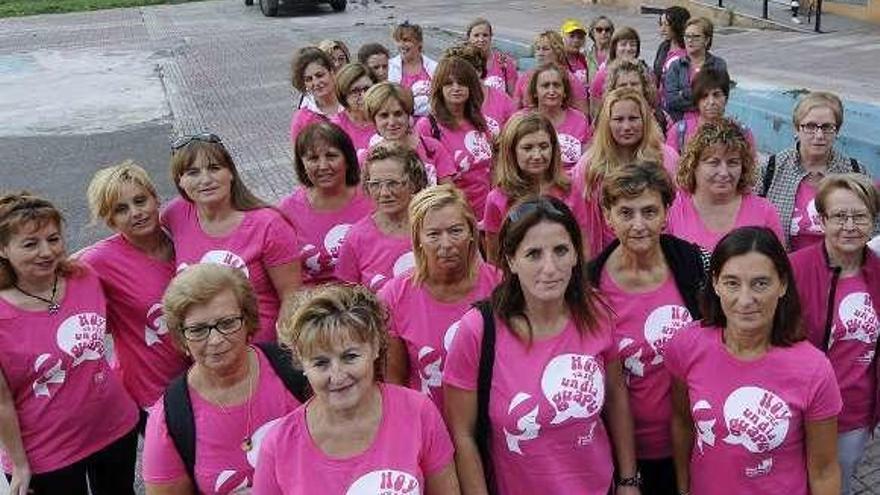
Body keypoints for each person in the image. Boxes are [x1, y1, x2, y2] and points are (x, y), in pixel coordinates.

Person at [443, 196, 640, 494]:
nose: (550, 268)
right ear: (511, 260)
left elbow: (615, 396)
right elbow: (463, 435)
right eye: (533, 254)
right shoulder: (478, 330)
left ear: (576, 253)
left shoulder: (596, 312)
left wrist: (628, 479)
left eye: (561, 250)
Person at [666, 226, 842, 495]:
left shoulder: (814, 369)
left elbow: (824, 470)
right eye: (732, 283)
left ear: (782, 284)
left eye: (760, 283)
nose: (745, 300)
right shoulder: (687, 345)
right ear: (715, 283)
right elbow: (682, 422)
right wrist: (682, 487)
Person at [253, 284, 461, 494]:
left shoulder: (418, 412)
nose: (337, 376)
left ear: (375, 347)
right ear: (302, 365)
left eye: (350, 357)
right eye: (321, 363)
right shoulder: (279, 446)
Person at [0, 193, 139, 495]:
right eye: (30, 243)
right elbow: (2, 402)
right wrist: (19, 464)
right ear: (3, 249)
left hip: (115, 426)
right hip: (47, 454)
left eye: (53, 239)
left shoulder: (84, 276)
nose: (46, 252)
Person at [587, 162, 708, 495]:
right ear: (608, 216)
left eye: (649, 211)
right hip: (624, 451)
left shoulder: (696, 263)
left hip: (698, 441)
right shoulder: (589, 285)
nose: (639, 225)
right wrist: (627, 477)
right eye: (626, 213)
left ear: (667, 212)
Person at [143, 264, 305, 494]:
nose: (216, 340)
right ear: (181, 336)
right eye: (198, 330)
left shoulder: (298, 370)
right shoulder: (172, 417)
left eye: (227, 323)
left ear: (248, 320)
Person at [790, 174, 880, 495]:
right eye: (840, 216)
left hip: (854, 414)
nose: (850, 225)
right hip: (797, 416)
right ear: (823, 219)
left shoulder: (878, 272)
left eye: (860, 216)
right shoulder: (793, 269)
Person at [164, 133, 301, 342]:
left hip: (260, 352)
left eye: (214, 168)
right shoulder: (176, 215)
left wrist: (280, 354)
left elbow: (292, 297)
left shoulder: (269, 225)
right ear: (180, 181)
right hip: (205, 354)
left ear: (231, 173)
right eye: (193, 172)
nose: (206, 180)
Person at [81, 162, 189, 418]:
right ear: (110, 220)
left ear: (156, 198)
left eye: (141, 201)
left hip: (208, 378)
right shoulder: (99, 261)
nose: (136, 212)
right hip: (152, 394)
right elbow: (54, 279)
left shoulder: (184, 237)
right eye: (121, 209)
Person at [381, 184, 500, 411]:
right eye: (434, 234)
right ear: (418, 239)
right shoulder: (394, 296)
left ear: (472, 233)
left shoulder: (500, 286)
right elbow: (394, 383)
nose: (446, 244)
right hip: (429, 424)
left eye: (455, 231)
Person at [572, 88, 679, 256]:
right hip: (607, 252)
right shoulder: (589, 165)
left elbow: (676, 210)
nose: (626, 126)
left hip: (658, 250)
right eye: (619, 119)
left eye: (633, 119)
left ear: (644, 120)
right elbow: (581, 221)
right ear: (608, 123)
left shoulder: (667, 159)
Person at [758, 91, 871, 251]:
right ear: (796, 129)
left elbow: (872, 225)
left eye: (827, 127)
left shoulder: (855, 171)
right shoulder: (772, 169)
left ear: (837, 131)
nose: (819, 135)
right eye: (810, 126)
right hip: (785, 269)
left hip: (839, 269)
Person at [483, 112, 586, 263]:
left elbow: (582, 244)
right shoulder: (497, 199)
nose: (537, 155)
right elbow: (494, 258)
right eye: (528, 148)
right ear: (512, 152)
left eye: (543, 146)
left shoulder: (569, 189)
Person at [278, 122, 373, 286]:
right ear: (302, 164)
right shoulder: (287, 211)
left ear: (348, 159)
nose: (323, 166)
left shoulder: (372, 198)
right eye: (313, 158)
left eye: (331, 156)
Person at [667, 118, 782, 251]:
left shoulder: (765, 212)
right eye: (713, 162)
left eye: (732, 162)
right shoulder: (672, 209)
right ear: (694, 165)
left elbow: (779, 267)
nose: (724, 172)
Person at [335, 144, 429, 291]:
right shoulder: (357, 238)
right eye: (375, 185)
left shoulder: (434, 226)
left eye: (393, 183)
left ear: (413, 184)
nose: (384, 193)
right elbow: (346, 297)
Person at [416, 56, 494, 220]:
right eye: (449, 83)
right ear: (439, 88)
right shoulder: (427, 126)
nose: (456, 88)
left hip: (487, 210)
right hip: (453, 213)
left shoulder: (479, 121)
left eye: (462, 83)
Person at [362, 82, 456, 184]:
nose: (392, 122)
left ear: (408, 115)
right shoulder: (368, 158)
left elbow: (449, 193)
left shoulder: (432, 148)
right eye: (384, 116)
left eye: (398, 114)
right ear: (374, 120)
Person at [666, 69, 755, 154]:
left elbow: (750, 167)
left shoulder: (743, 134)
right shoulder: (679, 132)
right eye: (704, 96)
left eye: (716, 95)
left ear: (726, 98)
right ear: (697, 101)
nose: (711, 102)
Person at [524, 63, 593, 171]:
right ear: (535, 92)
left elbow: (587, 163)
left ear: (565, 91)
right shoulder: (521, 120)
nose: (551, 91)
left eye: (556, 85)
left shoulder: (580, 120)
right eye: (545, 86)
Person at [443, 43, 517, 138]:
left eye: (463, 72)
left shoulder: (503, 101)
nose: (457, 78)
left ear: (479, 70)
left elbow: (515, 137)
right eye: (453, 73)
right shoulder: (445, 100)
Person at [664, 17, 728, 122]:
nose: (690, 40)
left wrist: (684, 93)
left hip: (711, 122)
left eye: (696, 37)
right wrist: (702, 102)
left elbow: (721, 96)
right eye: (687, 36)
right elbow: (672, 100)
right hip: (681, 123)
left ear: (706, 40)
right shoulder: (676, 66)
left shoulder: (718, 64)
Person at [513, 31, 589, 116]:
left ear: (557, 52)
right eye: (538, 49)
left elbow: (583, 113)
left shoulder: (570, 79)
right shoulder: (525, 78)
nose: (540, 53)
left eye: (545, 49)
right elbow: (515, 110)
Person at [590, 26, 651, 115]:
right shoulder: (603, 73)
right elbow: (595, 109)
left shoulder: (645, 70)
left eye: (633, 44)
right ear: (614, 47)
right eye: (623, 44)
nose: (628, 48)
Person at [289, 47, 343, 143]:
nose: (316, 83)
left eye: (320, 75)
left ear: (331, 72)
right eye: (309, 79)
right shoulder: (301, 119)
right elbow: (297, 156)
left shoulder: (350, 105)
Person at [605, 58, 669, 134]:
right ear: (614, 88)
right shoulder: (606, 115)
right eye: (623, 85)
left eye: (634, 84)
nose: (629, 88)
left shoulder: (659, 116)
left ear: (644, 86)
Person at [388, 21, 438, 116]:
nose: (401, 45)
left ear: (419, 43)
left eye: (406, 40)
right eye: (398, 41)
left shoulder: (434, 67)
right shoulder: (390, 66)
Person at [330, 63, 380, 157]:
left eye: (367, 89)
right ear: (343, 95)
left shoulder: (386, 117)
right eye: (355, 91)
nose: (363, 95)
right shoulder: (337, 126)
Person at [466, 18, 517, 95]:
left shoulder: (505, 62)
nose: (481, 39)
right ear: (468, 38)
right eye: (476, 35)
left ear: (491, 37)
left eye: (485, 35)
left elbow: (513, 96)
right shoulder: (463, 62)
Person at [653, 6, 690, 105]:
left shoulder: (688, 52)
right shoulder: (664, 47)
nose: (663, 29)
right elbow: (657, 72)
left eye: (667, 24)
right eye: (661, 24)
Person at [560, 18, 590, 86]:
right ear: (562, 38)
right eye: (572, 36)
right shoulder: (558, 59)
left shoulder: (583, 59)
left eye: (580, 37)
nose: (576, 40)